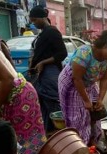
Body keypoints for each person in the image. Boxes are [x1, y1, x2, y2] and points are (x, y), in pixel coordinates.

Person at [59, 30, 107, 152]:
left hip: (89, 83)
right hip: (72, 83)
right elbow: (77, 78)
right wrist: (86, 100)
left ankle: (94, 141)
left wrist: (100, 99)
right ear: (104, 47)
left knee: (96, 112)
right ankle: (79, 148)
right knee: (77, 117)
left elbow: (106, 78)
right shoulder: (84, 53)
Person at [0, 41, 46, 154]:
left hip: (19, 97)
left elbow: (7, 79)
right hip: (11, 97)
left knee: (21, 142)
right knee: (16, 142)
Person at [29, 5, 68, 133]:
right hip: (41, 73)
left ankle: (61, 134)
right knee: (43, 105)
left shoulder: (52, 31)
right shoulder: (43, 33)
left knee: (53, 105)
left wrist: (43, 63)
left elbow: (62, 54)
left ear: (42, 17)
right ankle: (48, 133)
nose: (33, 23)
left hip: (50, 72)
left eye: (35, 20)